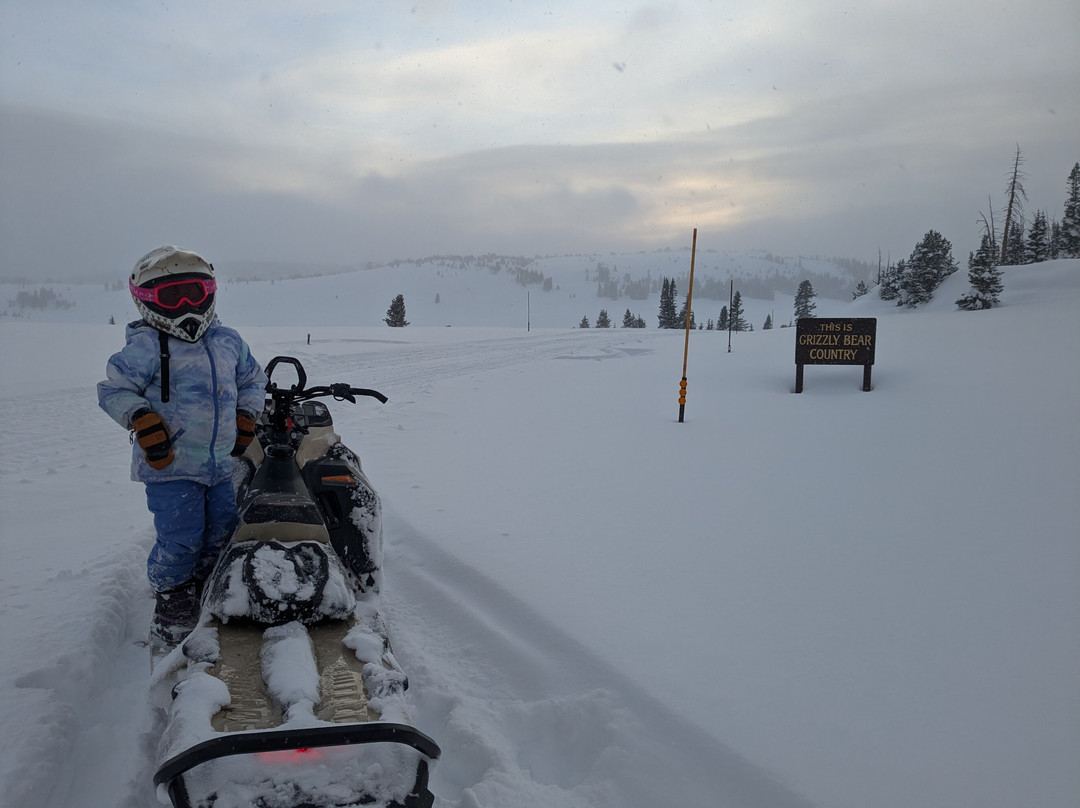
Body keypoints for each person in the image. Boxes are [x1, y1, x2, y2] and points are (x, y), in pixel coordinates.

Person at [98, 246, 267, 647]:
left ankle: (207, 583)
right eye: (174, 297)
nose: (188, 305)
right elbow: (113, 389)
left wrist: (247, 414)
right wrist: (140, 417)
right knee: (181, 537)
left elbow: (253, 380)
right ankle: (172, 598)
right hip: (170, 467)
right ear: (149, 302)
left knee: (222, 530)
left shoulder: (228, 341)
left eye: (195, 292)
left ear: (211, 292)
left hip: (221, 463)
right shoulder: (144, 346)